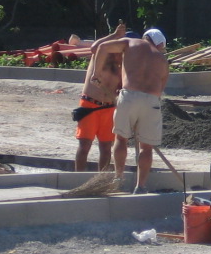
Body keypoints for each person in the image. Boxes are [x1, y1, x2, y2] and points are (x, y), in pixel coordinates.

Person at [93, 28, 170, 193]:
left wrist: (96, 74)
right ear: (159, 44)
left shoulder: (131, 42)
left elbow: (102, 47)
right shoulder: (162, 60)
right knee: (146, 147)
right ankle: (140, 186)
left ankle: (118, 178)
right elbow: (161, 88)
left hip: (129, 96)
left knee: (121, 139)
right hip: (152, 101)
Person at [72, 22, 126, 172]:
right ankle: (78, 177)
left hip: (108, 108)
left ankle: (101, 179)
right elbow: (94, 47)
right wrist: (115, 35)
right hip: (90, 104)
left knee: (106, 147)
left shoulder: (122, 64)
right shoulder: (101, 54)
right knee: (84, 145)